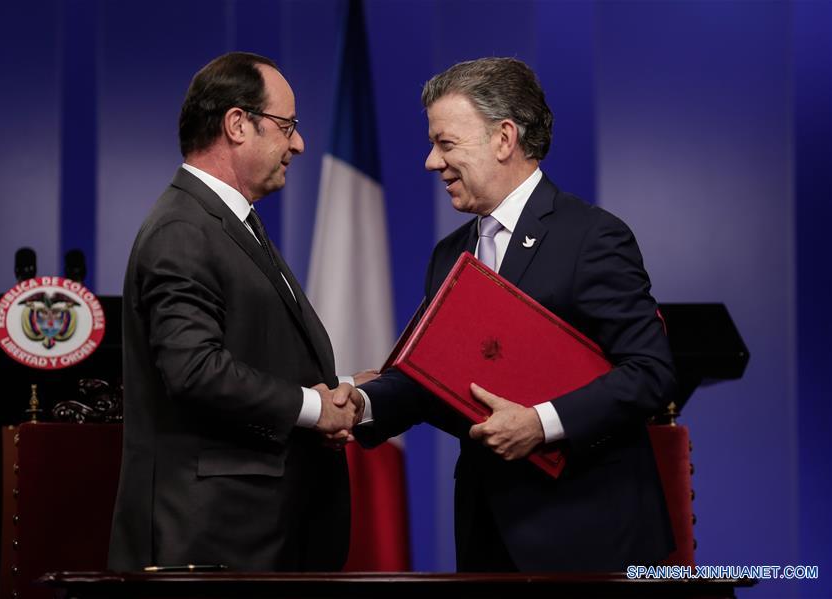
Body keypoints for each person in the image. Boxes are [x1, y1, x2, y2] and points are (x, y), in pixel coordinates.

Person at [355, 57, 676, 571]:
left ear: (504, 138)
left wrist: (540, 424)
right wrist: (357, 403)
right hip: (487, 542)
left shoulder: (591, 237)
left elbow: (650, 373)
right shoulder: (448, 255)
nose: (430, 162)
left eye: (445, 143)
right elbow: (430, 380)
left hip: (590, 540)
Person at [108, 52, 366, 572]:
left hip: (254, 535)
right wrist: (314, 409)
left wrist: (337, 384)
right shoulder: (183, 229)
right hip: (212, 542)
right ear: (237, 124)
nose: (299, 143)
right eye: (287, 125)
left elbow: (251, 349)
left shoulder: (226, 220)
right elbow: (194, 370)